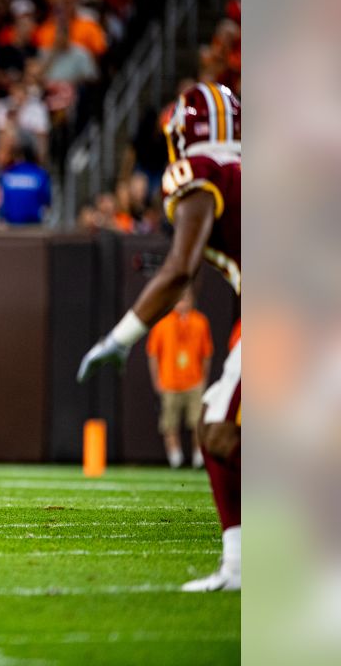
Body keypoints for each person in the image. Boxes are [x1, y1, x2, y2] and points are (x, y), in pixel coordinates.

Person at [78, 82, 241, 592]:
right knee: (216, 427)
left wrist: (121, 337)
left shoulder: (201, 173)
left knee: (217, 429)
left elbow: (178, 269)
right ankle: (240, 565)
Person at [146, 289, 213, 468]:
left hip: (194, 380)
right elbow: (153, 354)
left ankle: (198, 457)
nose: (183, 302)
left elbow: (206, 354)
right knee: (170, 423)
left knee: (197, 422)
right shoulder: (163, 323)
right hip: (169, 381)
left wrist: (203, 379)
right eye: (180, 299)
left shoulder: (200, 322)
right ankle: (175, 458)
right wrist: (156, 380)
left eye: (186, 298)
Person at [0, 144, 51, 225]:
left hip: (10, 224)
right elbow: (46, 200)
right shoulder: (40, 174)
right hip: (34, 225)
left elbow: (0, 202)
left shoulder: (7, 173)